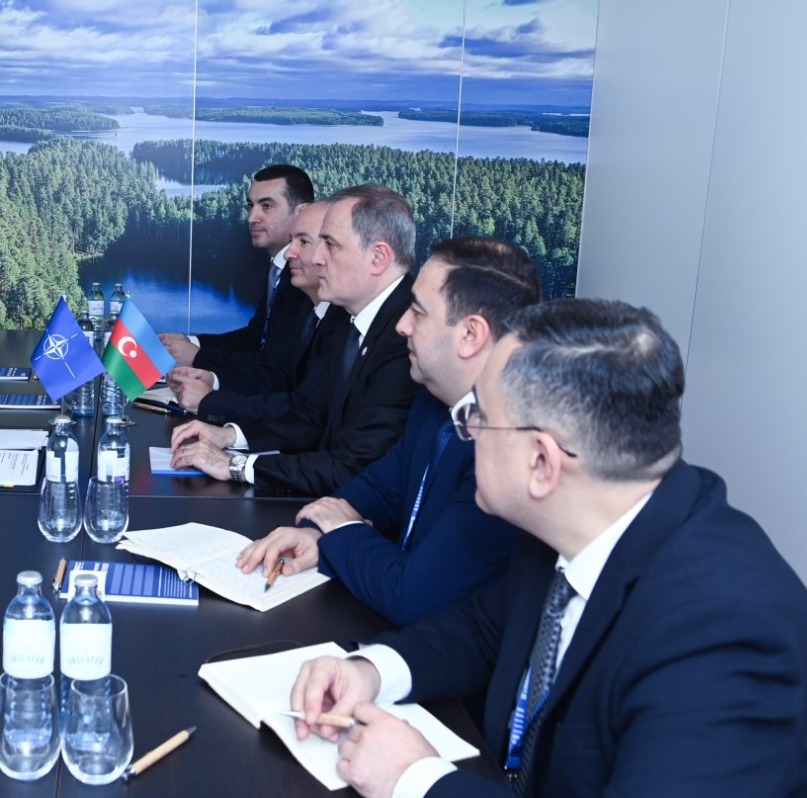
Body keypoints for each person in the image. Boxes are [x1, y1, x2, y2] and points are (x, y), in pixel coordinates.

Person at [290, 299, 807, 798]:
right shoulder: (592, 513)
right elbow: (485, 628)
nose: (467, 431)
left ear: (542, 463)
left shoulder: (721, 631)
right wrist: (373, 670)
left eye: (479, 416)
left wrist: (414, 780)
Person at [239, 237, 540, 626]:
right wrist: (317, 534)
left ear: (470, 335)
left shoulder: (504, 445)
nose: (402, 325)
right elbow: (379, 489)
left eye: (418, 313)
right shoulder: (435, 403)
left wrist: (342, 532)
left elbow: (412, 596)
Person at [170, 185, 420, 497]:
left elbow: (352, 466)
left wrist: (236, 466)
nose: (317, 258)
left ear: (378, 257)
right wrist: (230, 436)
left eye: (330, 245)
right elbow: (312, 415)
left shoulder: (405, 337)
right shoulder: (353, 317)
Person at [167, 201, 333, 418]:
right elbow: (269, 359)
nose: (289, 253)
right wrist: (211, 377)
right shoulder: (308, 308)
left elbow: (298, 403)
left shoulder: (335, 322)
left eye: (267, 206)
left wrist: (209, 388)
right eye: (250, 205)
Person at [158, 164, 315, 390]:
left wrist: (199, 357)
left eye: (267, 206)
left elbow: (276, 368)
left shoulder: (306, 277)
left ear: (302, 212)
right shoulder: (277, 268)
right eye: (250, 206)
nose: (252, 217)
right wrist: (191, 342)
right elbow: (255, 337)